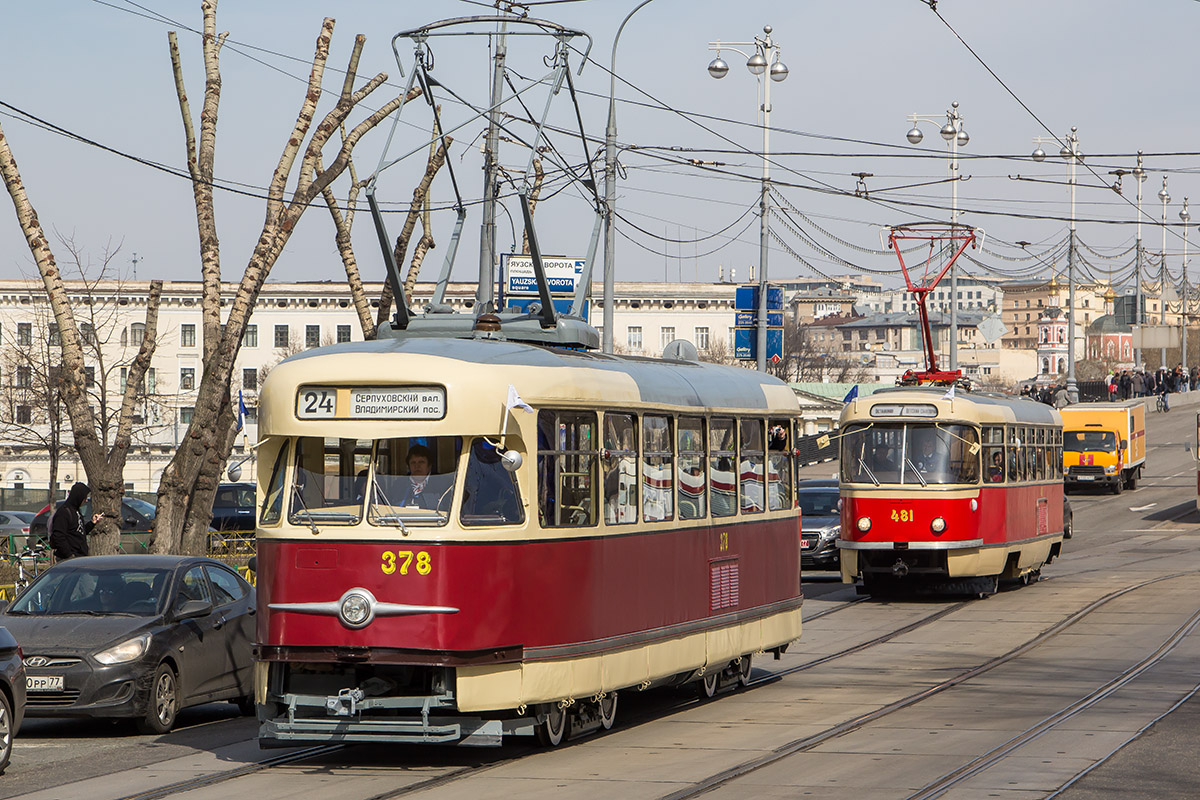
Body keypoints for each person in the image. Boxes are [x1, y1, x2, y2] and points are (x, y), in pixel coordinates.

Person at [49, 481, 103, 561]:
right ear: (78, 497)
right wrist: (69, 555)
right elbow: (58, 536)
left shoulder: (76, 511)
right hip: (69, 559)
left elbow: (79, 532)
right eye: (84, 498)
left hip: (80, 557)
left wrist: (92, 523)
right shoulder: (64, 512)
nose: (86, 500)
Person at [395, 444, 446, 509]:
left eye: (421, 462)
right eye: (413, 462)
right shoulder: (399, 484)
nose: (417, 466)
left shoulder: (441, 484)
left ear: (429, 466)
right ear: (408, 466)